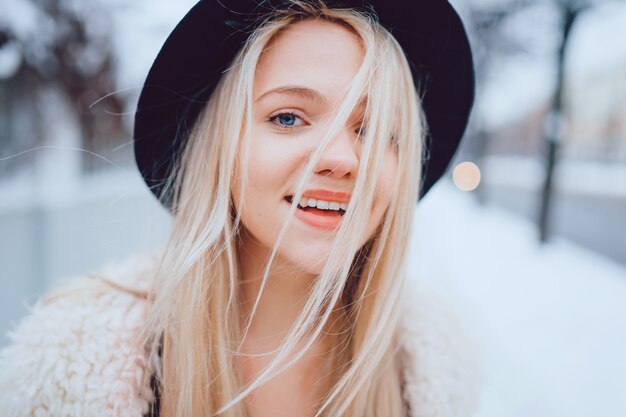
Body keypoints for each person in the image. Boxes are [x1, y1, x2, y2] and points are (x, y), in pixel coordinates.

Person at [0, 0, 480, 416]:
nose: (342, 158)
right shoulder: (77, 371)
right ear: (219, 148)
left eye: (375, 131)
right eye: (288, 117)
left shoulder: (428, 373)